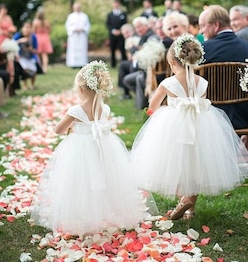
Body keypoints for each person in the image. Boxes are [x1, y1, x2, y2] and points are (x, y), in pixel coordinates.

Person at [131, 33, 248, 220]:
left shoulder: (167, 83)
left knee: (176, 165)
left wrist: (153, 114)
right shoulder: (202, 82)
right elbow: (202, 104)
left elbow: (152, 106)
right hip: (201, 126)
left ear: (172, 60)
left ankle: (183, 199)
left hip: (174, 128)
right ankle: (191, 208)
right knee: (196, 167)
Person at [30, 60, 148, 237]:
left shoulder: (76, 110)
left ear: (81, 89)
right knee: (102, 183)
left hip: (80, 151)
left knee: (79, 185)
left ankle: (84, 224)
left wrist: (72, 128)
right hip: (102, 148)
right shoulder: (104, 108)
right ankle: (98, 218)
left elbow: (58, 129)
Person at [198, 4, 248, 129]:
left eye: (203, 26)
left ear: (216, 25)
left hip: (210, 118)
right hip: (244, 118)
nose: (201, 31)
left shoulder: (203, 50)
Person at [123, 16, 158, 109]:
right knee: (127, 79)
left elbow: (144, 53)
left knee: (138, 78)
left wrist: (133, 49)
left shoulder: (150, 36)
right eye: (136, 27)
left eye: (139, 26)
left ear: (146, 25)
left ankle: (141, 106)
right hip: (142, 68)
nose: (137, 29)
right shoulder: (143, 36)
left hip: (150, 70)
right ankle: (143, 100)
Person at [13, 21, 39, 90]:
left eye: (29, 27)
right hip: (20, 57)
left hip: (30, 57)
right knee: (24, 69)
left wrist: (31, 49)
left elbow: (36, 50)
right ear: (22, 28)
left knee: (34, 70)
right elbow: (12, 44)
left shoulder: (33, 37)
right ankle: (25, 85)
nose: (27, 29)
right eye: (26, 27)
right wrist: (20, 41)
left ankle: (32, 85)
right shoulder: (18, 35)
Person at [118, 23, 140, 99]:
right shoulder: (127, 40)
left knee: (125, 66)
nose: (126, 35)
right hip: (133, 60)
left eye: (127, 32)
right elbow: (129, 55)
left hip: (139, 61)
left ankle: (129, 90)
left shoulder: (137, 38)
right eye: (124, 34)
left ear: (132, 31)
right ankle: (125, 91)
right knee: (123, 65)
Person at [65, 2, 90, 68]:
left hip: (82, 35)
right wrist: (74, 29)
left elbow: (87, 25)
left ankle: (82, 63)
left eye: (78, 7)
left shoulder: (84, 16)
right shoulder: (71, 16)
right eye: (76, 8)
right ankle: (73, 64)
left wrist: (83, 29)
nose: (77, 9)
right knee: (73, 50)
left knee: (81, 49)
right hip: (74, 36)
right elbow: (68, 26)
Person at [106, 0, 127, 68]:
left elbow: (125, 23)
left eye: (117, 4)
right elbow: (108, 24)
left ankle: (124, 63)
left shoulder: (123, 14)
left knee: (122, 49)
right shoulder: (110, 14)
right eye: (115, 4)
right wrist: (113, 31)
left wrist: (120, 31)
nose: (116, 5)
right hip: (112, 35)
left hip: (121, 35)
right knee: (112, 50)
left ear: (119, 5)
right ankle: (113, 64)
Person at [32, 8, 53, 73]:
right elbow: (50, 30)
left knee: (38, 54)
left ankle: (39, 68)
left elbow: (33, 31)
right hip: (45, 37)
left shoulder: (35, 22)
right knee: (44, 55)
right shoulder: (46, 22)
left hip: (37, 37)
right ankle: (45, 69)